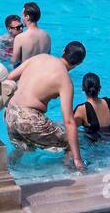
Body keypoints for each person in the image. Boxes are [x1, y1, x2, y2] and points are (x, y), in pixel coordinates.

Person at [5, 41, 87, 171]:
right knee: (70, 142)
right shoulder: (65, 80)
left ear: (64, 50)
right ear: (79, 63)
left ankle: (7, 168)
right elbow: (69, 122)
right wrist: (78, 158)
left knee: (25, 149)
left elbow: (10, 78)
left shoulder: (40, 57)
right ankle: (72, 171)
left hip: (10, 112)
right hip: (28, 118)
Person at [74, 72, 110, 139]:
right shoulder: (108, 102)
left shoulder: (82, 109)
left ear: (83, 88)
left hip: (96, 145)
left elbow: (70, 128)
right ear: (100, 88)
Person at [11, 2, 51, 67]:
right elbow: (48, 58)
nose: (21, 18)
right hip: (43, 73)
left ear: (27, 17)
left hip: (27, 74)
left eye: (22, 15)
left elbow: (14, 61)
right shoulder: (47, 36)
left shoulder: (20, 38)